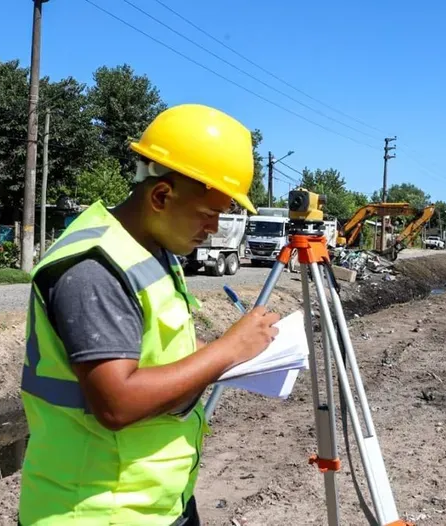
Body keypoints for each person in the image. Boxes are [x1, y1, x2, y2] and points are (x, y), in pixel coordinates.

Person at [17, 104, 280, 525]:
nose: (214, 229)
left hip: (155, 503)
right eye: (209, 214)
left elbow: (160, 353)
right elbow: (117, 404)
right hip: (95, 510)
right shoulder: (93, 268)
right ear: (161, 196)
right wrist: (228, 351)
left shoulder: (155, 248)